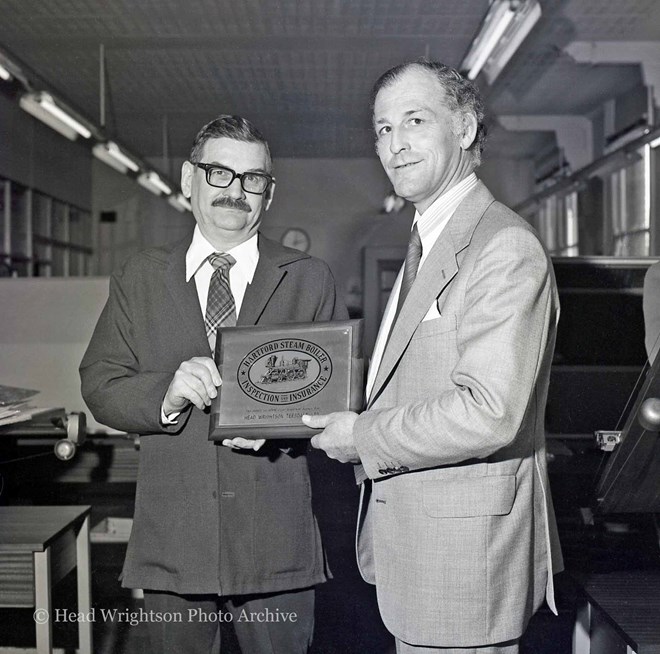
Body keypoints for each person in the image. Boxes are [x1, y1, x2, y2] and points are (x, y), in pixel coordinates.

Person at [304, 61, 564, 653]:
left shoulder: (502, 247)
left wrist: (364, 436)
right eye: (382, 129)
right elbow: (406, 381)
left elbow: (489, 412)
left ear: (466, 128)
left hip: (465, 565)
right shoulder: (430, 240)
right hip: (425, 554)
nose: (394, 145)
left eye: (415, 121)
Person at [80, 115, 347, 653]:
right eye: (219, 173)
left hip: (276, 546)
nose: (235, 192)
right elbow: (100, 382)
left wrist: (279, 430)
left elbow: (337, 399)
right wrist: (166, 393)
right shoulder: (141, 276)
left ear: (268, 194)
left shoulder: (308, 277)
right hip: (173, 541)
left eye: (253, 179)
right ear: (188, 178)